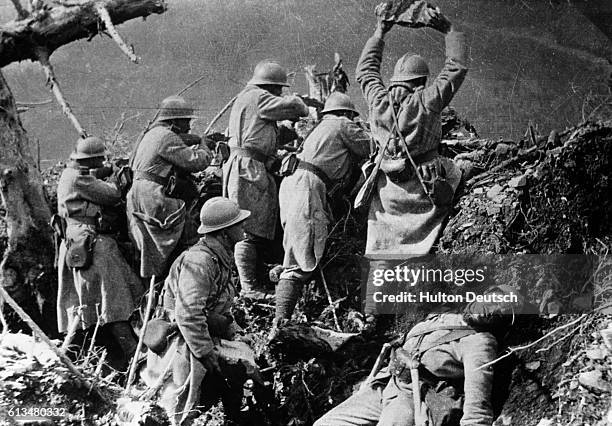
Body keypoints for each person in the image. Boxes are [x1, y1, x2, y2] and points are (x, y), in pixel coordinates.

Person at [355, 3, 468, 315]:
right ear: (421, 81)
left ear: (396, 79)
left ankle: (373, 315)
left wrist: (380, 30)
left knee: (381, 249)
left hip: (387, 191)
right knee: (420, 250)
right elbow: (456, 66)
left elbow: (365, 70)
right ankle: (414, 311)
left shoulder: (378, 100)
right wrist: (449, 30)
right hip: (421, 189)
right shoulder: (428, 101)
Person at [314, 286, 524, 426]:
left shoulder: (480, 342)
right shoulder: (441, 315)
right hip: (385, 384)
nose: (490, 309)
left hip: (413, 397)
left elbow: (477, 402)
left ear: (501, 324)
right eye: (493, 299)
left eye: (500, 312)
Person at [140, 197, 254, 425]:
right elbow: (188, 315)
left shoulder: (218, 257)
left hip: (200, 336)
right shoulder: (201, 262)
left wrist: (233, 331)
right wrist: (205, 351)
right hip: (183, 344)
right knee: (181, 410)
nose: (243, 227)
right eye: (238, 224)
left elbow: (216, 305)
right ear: (224, 233)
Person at [274, 92, 372, 324]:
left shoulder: (320, 129)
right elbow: (371, 147)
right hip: (307, 188)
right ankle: (281, 322)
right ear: (347, 114)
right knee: (300, 256)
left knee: (297, 248)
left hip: (294, 186)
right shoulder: (341, 124)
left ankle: (282, 317)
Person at [223, 60, 309, 299]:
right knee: (247, 230)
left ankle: (253, 283)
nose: (281, 93)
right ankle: (249, 289)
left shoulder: (248, 98)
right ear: (270, 87)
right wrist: (302, 102)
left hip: (245, 166)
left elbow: (259, 134)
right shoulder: (259, 97)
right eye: (279, 89)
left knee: (252, 228)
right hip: (247, 169)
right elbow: (296, 107)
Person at [56, 136, 144, 370]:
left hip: (78, 239)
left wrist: (104, 170)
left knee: (96, 301)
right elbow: (112, 194)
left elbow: (92, 177)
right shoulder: (79, 178)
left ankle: (74, 357)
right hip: (89, 243)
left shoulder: (71, 173)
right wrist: (117, 176)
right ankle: (134, 354)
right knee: (115, 301)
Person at [126, 96, 212, 281]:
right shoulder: (167, 137)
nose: (189, 126)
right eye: (185, 121)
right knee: (180, 234)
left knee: (151, 244)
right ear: (174, 122)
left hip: (139, 194)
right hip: (153, 195)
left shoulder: (152, 134)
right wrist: (204, 146)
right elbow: (196, 162)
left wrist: (191, 139)